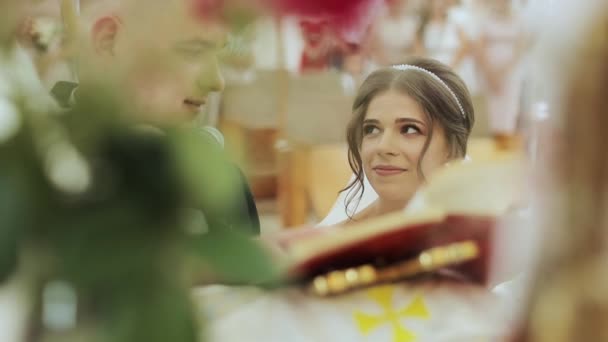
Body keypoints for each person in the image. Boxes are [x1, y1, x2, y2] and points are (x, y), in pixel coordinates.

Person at [57, 0, 261, 235]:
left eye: (218, 52)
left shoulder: (223, 184)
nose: (217, 81)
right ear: (108, 40)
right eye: (194, 50)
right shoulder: (29, 174)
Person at [322, 56, 474, 225]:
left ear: (451, 146)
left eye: (409, 129)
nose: (383, 146)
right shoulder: (329, 243)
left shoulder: (484, 240)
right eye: (371, 129)